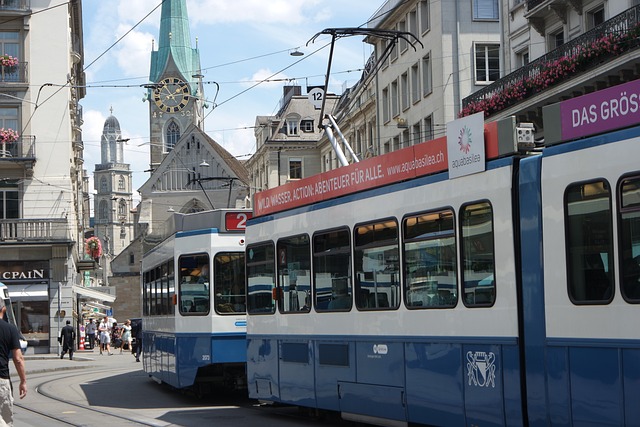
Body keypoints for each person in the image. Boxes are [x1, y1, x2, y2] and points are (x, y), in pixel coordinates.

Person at [0, 297, 26, 425]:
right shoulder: (10, 329)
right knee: (4, 420)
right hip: (1, 379)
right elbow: (18, 359)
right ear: (3, 309)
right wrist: (23, 381)